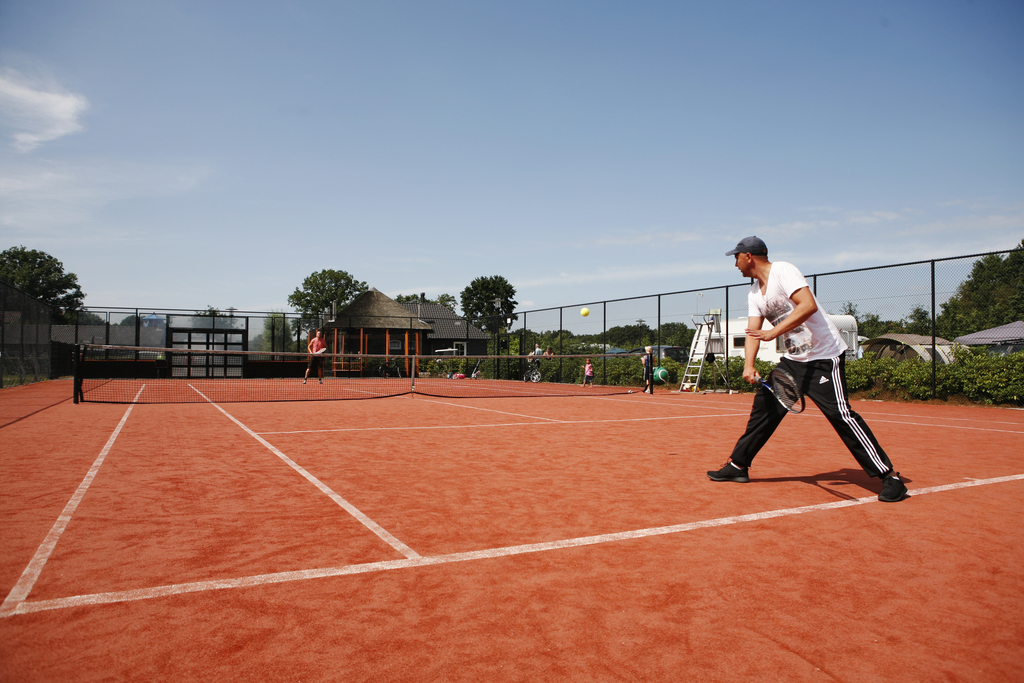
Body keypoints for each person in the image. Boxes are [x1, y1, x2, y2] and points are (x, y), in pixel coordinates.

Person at [706, 236, 909, 503]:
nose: (735, 264)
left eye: (736, 257)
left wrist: (774, 331)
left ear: (749, 256)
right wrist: (748, 364)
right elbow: (754, 333)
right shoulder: (755, 292)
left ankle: (890, 477)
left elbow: (808, 305)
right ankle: (738, 465)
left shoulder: (783, 270)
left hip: (824, 357)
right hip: (795, 360)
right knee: (764, 408)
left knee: (841, 416)